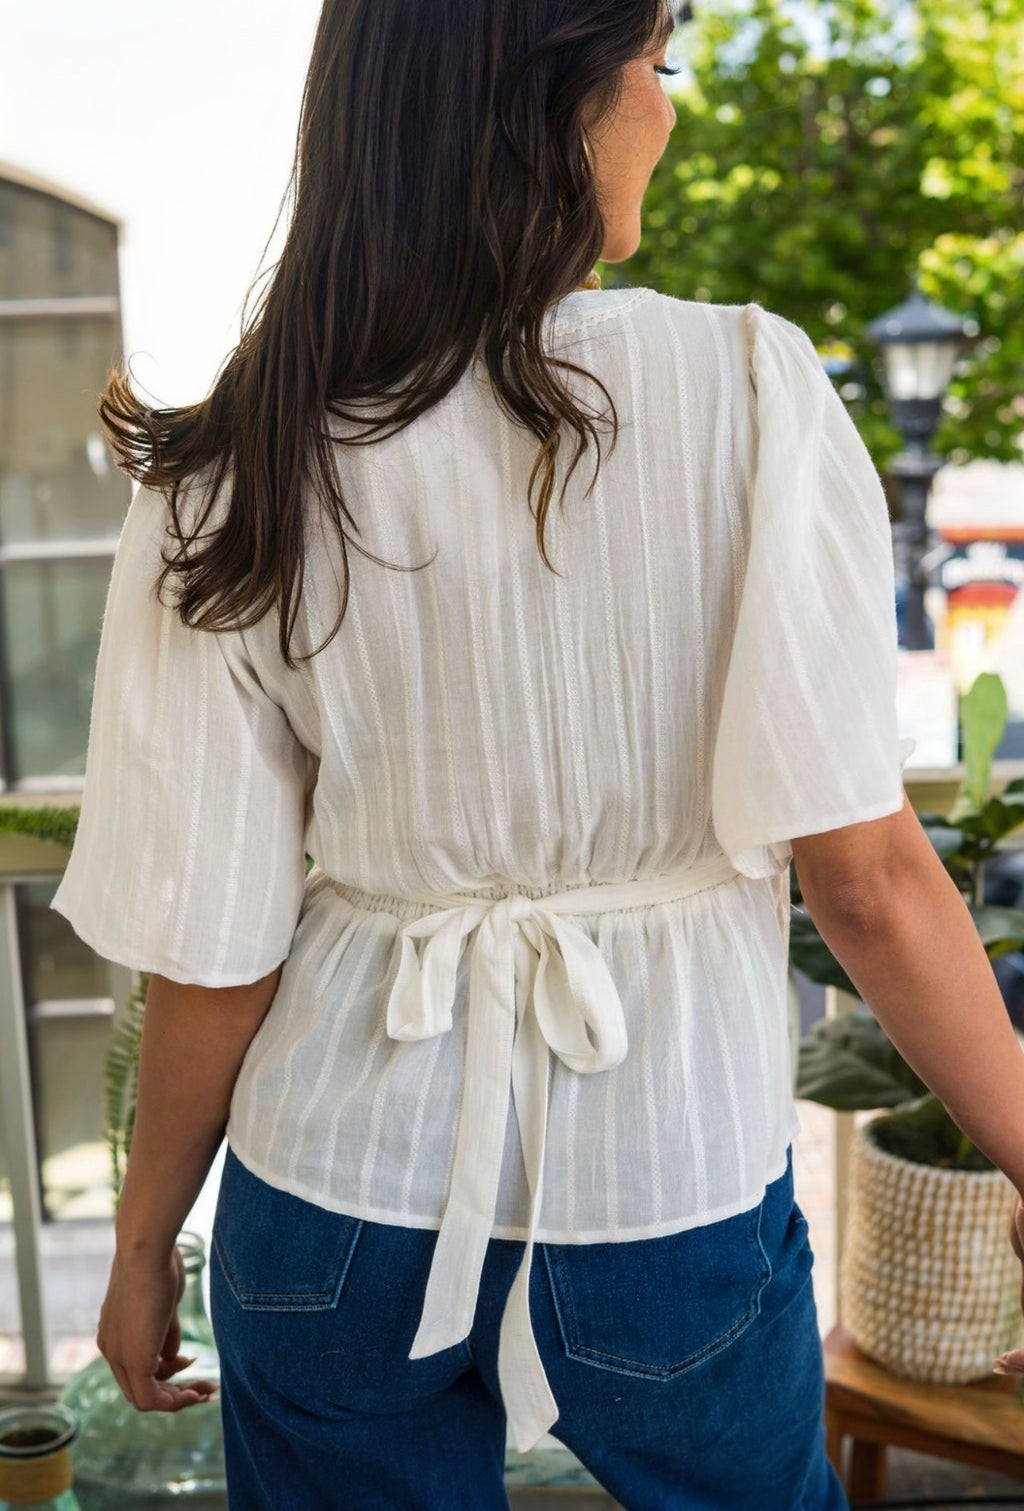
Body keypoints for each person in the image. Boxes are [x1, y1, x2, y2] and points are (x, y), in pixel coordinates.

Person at [53, 1, 1024, 1506]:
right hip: (668, 1176)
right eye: (659, 65)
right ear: (554, 101)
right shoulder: (750, 393)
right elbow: (871, 878)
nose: (670, 110)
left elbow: (216, 946)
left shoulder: (246, 451)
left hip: (330, 1190)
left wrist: (139, 1249)